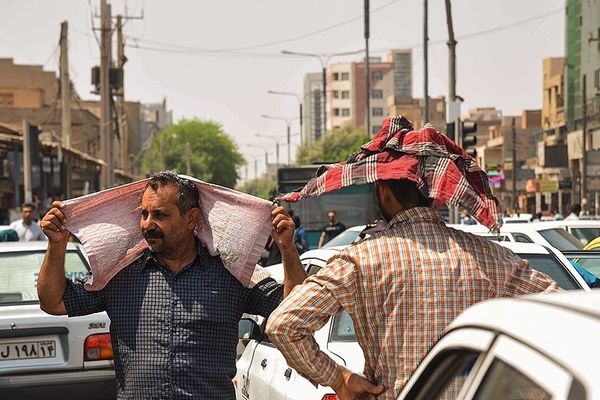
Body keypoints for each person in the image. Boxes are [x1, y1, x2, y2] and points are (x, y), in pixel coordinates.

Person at [266, 116, 560, 400]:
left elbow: (284, 324)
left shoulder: (358, 261)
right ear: (433, 193)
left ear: (384, 190)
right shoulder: (491, 258)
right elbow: (565, 317)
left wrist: (340, 379)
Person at [37, 171, 307, 399]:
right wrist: (57, 244)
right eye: (143, 214)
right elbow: (54, 302)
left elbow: (296, 313)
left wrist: (287, 250)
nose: (147, 224)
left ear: (190, 219)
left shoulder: (231, 274)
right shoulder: (119, 275)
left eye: (160, 215)